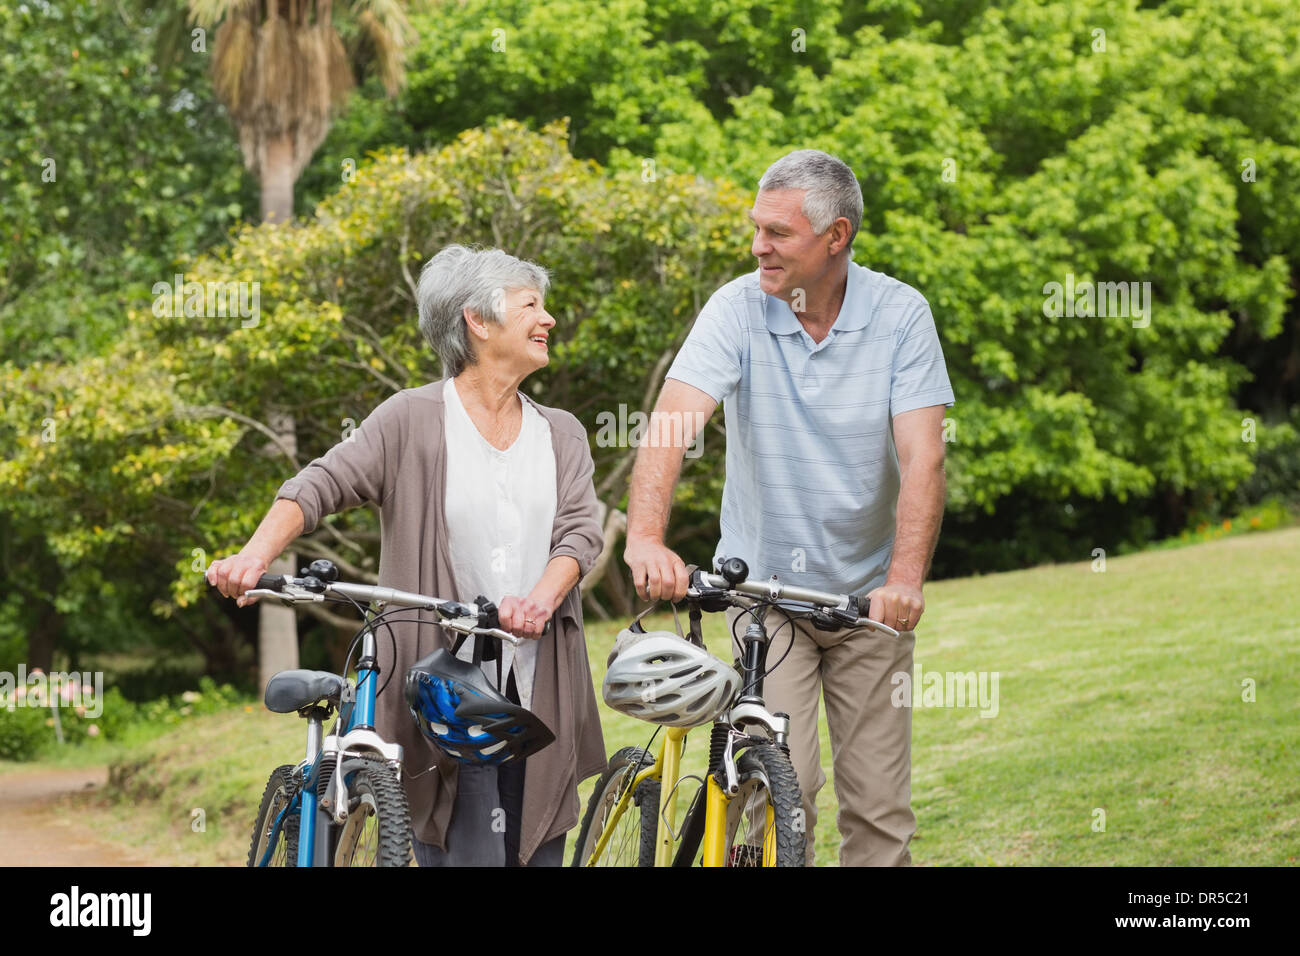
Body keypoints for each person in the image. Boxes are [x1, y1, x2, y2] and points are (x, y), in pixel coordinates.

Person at [206, 244, 606, 866]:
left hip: (537, 677)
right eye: (531, 305)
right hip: (445, 682)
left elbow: (580, 532)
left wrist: (540, 600)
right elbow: (318, 484)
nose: (548, 319)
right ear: (477, 320)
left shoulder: (562, 432)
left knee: (537, 848)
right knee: (464, 847)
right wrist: (253, 556)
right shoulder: (411, 419)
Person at [624, 149, 955, 866]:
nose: (757, 248)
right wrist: (647, 537)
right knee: (782, 785)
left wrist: (903, 579)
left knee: (879, 810)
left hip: (869, 602)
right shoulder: (738, 308)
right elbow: (674, 424)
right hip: (766, 595)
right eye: (755, 229)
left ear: (836, 237)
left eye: (777, 233)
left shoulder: (900, 315)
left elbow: (924, 456)